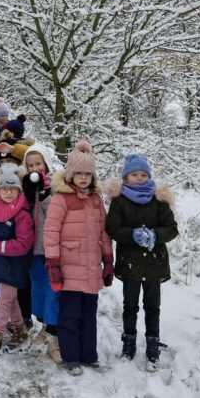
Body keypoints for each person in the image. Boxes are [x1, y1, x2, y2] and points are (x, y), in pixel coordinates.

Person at [43, 140, 113, 375]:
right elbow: (50, 233)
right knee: (70, 315)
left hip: (91, 267)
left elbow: (103, 232)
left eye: (87, 174)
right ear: (70, 174)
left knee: (89, 315)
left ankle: (89, 355)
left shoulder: (96, 199)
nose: (83, 178)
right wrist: (53, 263)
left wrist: (108, 260)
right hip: (69, 267)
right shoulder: (61, 198)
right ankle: (71, 356)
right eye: (79, 173)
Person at [105, 153, 178, 371]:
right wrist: (132, 235)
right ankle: (128, 344)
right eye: (134, 174)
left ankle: (153, 346)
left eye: (143, 175)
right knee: (130, 306)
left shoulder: (159, 200)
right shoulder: (119, 201)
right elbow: (112, 228)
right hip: (130, 264)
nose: (139, 178)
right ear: (126, 177)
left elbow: (172, 228)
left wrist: (156, 235)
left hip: (154, 264)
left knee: (152, 307)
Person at [0, 164, 34, 354]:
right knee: (9, 297)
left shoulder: (22, 214)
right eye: (4, 188)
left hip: (14, 263)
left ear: (19, 191)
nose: (8, 192)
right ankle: (19, 328)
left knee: (4, 300)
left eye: (13, 189)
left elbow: (24, 243)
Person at [20, 143, 61, 362]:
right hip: (32, 247)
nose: (35, 168)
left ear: (45, 164)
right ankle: (44, 324)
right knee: (37, 288)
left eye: (38, 164)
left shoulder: (55, 184)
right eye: (31, 165)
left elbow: (56, 212)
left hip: (51, 247)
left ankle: (54, 332)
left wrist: (45, 194)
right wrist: (27, 196)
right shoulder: (24, 185)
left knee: (52, 288)